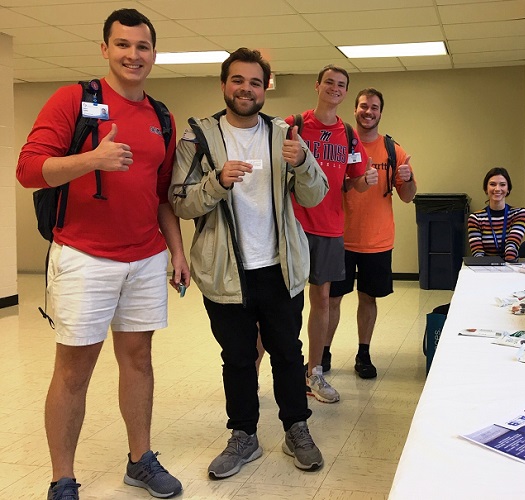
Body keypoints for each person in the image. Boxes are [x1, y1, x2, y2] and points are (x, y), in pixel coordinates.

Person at [16, 8, 189, 500]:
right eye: (123, 45)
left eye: (142, 47)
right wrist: (92, 159)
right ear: (104, 49)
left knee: (139, 360)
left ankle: (140, 460)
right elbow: (28, 170)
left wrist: (177, 252)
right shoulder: (73, 99)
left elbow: (161, 195)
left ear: (154, 54)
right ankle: (63, 478)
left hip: (146, 257)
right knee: (75, 369)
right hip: (84, 258)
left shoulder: (161, 116)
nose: (133, 55)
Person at [169, 47, 328, 478]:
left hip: (280, 268)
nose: (246, 89)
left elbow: (316, 195)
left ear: (265, 89)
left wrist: (306, 161)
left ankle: (297, 428)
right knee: (237, 358)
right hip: (224, 271)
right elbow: (180, 202)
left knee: (288, 354)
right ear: (224, 85)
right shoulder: (197, 138)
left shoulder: (285, 134)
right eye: (238, 80)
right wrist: (217, 182)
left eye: (255, 82)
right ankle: (244, 437)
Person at [287, 65, 377, 403]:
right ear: (317, 86)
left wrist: (363, 182)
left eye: (341, 85)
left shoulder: (349, 135)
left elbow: (353, 180)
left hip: (329, 227)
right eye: (330, 83)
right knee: (283, 304)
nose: (335, 89)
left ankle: (314, 373)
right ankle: (267, 371)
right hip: (293, 225)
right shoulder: (293, 125)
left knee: (322, 300)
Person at [327, 88, 417, 379]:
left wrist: (408, 178)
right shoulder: (340, 145)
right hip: (338, 238)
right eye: (364, 106)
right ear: (355, 110)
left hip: (376, 241)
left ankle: (363, 354)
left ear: (381, 112)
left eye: (374, 107)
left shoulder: (393, 150)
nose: (369, 112)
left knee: (368, 298)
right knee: (331, 299)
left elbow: (407, 196)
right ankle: (322, 353)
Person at [467, 167, 525, 261]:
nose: (497, 189)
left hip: (511, 266)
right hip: (485, 268)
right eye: (492, 184)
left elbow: (512, 246)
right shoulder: (475, 218)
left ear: (508, 189)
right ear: (486, 189)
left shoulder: (519, 213)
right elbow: (477, 252)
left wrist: (505, 270)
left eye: (502, 184)